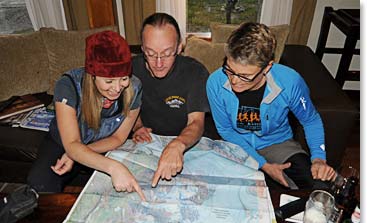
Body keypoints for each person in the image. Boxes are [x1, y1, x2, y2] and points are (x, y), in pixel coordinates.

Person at [206, 22, 336, 190]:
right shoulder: (215, 83)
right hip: (236, 144)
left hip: (277, 144)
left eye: (245, 76)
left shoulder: (290, 82)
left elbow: (311, 120)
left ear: (267, 67)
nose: (234, 81)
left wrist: (318, 158)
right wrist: (263, 165)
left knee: (318, 187)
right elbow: (226, 130)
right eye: (229, 70)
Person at [26, 30, 145, 200]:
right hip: (63, 143)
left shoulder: (135, 87)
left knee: (124, 188)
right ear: (92, 75)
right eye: (109, 81)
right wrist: (113, 167)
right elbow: (72, 143)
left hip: (103, 144)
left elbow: (118, 138)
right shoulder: (67, 85)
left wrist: (78, 154)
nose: (118, 88)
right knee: (40, 183)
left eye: (124, 78)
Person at [131, 13, 210, 187]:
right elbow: (127, 106)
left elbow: (197, 123)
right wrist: (137, 126)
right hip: (148, 145)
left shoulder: (195, 72)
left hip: (186, 145)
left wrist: (177, 144)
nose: (158, 63)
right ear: (143, 49)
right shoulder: (130, 69)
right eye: (150, 53)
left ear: (179, 48)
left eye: (167, 54)